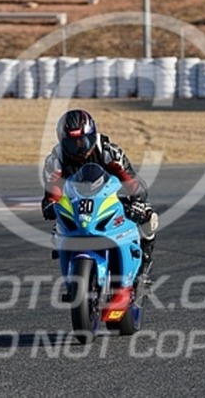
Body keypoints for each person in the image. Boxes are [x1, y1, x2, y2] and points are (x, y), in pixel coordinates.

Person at [41, 108, 158, 283]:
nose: (79, 148)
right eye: (72, 144)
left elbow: (135, 184)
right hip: (75, 204)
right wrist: (50, 204)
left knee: (149, 218)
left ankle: (143, 270)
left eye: (83, 141)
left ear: (92, 136)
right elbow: (52, 191)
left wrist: (136, 200)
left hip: (110, 200)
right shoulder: (56, 159)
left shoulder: (109, 152)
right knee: (57, 233)